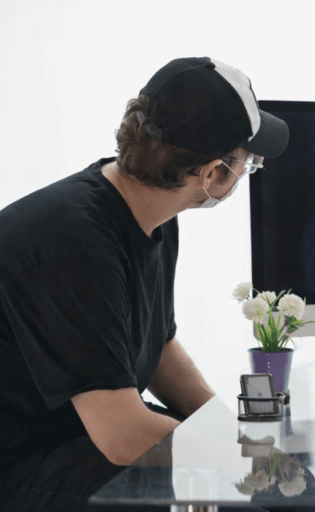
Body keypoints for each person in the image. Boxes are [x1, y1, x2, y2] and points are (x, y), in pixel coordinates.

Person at [0, 57, 289, 511]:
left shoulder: (151, 214)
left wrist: (233, 434)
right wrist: (240, 460)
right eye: (246, 162)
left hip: (82, 428)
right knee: (254, 494)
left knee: (275, 490)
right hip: (22, 457)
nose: (246, 171)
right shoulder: (71, 243)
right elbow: (124, 436)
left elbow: (157, 351)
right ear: (213, 174)